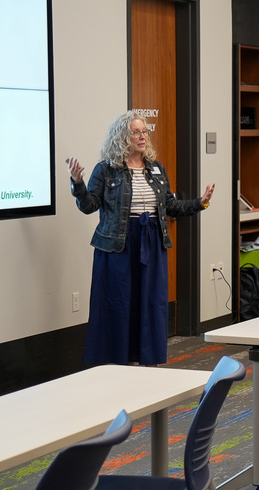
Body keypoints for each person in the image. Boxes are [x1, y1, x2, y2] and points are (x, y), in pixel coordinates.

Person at [68, 111, 214, 365]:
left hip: (151, 243)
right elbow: (89, 205)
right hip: (117, 246)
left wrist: (200, 203)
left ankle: (147, 358)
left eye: (145, 131)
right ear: (122, 137)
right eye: (136, 132)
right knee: (118, 304)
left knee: (150, 304)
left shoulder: (156, 169)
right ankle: (116, 360)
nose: (142, 136)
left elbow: (169, 205)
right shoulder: (106, 170)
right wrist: (78, 183)